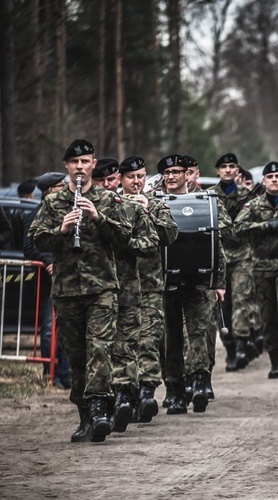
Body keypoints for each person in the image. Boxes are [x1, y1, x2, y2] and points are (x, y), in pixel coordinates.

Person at [29, 139, 132, 443]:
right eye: (74, 163)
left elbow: (125, 238)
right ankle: (85, 415)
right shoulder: (53, 203)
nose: (79, 167)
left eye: (85, 162)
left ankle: (101, 409)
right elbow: (36, 239)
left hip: (102, 289)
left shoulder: (108, 200)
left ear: (93, 164)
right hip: (67, 290)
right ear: (66, 166)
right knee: (77, 356)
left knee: (100, 348)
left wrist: (99, 219)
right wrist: (60, 230)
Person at [92, 158, 159, 433]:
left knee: (128, 345)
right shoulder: (85, 208)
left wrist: (126, 242)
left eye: (112, 180)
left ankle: (125, 397)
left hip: (133, 288)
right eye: (103, 181)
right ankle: (100, 404)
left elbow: (154, 241)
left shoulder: (131, 208)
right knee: (99, 347)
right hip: (95, 290)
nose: (108, 185)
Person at [159, 154, 227, 414]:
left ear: (188, 174)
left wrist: (218, 280)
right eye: (167, 173)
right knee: (171, 338)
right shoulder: (156, 202)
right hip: (166, 280)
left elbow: (218, 239)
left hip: (198, 279)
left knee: (199, 332)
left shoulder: (205, 201)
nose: (172, 176)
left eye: (177, 171)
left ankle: (199, 381)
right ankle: (175, 390)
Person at [118, 156, 179, 422]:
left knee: (150, 339)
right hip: (122, 286)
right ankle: (125, 393)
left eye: (141, 176)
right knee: (125, 343)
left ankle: (146, 392)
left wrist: (148, 210)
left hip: (151, 285)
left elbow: (170, 235)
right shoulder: (114, 203)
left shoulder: (155, 203)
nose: (137, 181)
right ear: (122, 179)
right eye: (131, 177)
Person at [235, 161, 278, 378]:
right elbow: (238, 228)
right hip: (262, 264)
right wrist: (265, 226)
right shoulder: (253, 206)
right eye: (270, 176)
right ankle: (275, 362)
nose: (274, 179)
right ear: (263, 181)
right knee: (268, 314)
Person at [208, 152, 257, 371]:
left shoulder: (248, 195)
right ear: (218, 170)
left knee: (241, 300)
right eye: (224, 166)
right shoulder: (208, 196)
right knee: (222, 306)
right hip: (218, 258)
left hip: (241, 257)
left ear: (238, 170)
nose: (228, 170)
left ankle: (240, 346)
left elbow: (255, 221)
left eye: (232, 166)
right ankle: (229, 348)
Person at [22, 172, 70, 388]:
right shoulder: (36, 214)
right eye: (61, 186)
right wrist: (48, 261)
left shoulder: (65, 211)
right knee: (51, 327)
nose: (64, 189)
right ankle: (52, 373)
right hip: (48, 279)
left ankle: (65, 373)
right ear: (51, 190)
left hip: (67, 278)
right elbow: (30, 246)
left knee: (67, 327)